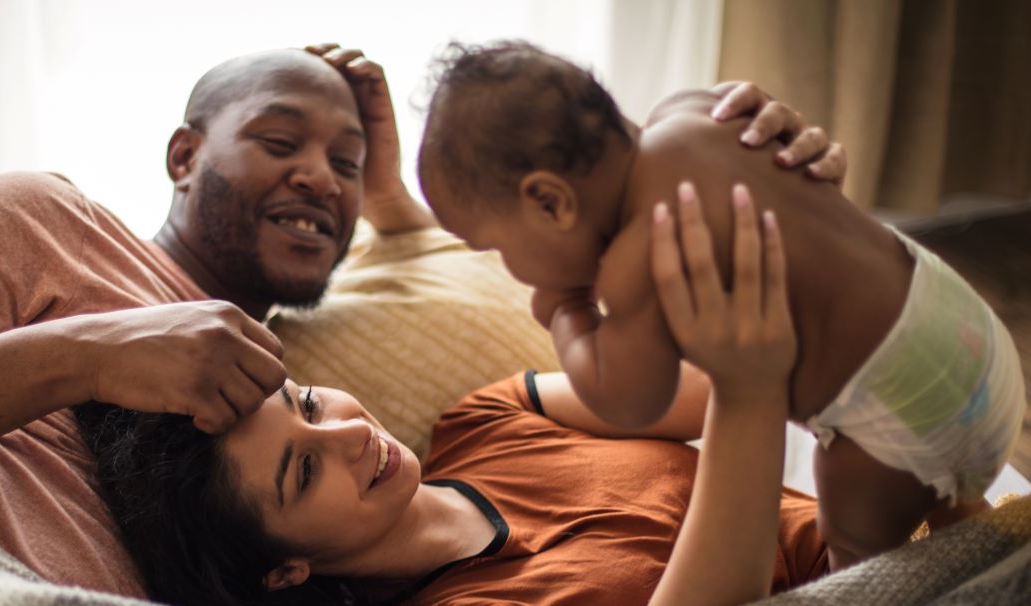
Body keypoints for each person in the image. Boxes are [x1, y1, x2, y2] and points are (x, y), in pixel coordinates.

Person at [0, 43, 843, 606]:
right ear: (183, 156)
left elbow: (490, 291)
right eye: (278, 140)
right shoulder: (34, 224)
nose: (319, 176)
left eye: (346, 165)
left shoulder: (294, 394)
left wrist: (767, 205)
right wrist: (79, 354)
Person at [78, 184, 821, 606]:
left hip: (894, 522)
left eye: (306, 404)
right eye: (303, 470)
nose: (344, 434)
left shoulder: (492, 415)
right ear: (285, 570)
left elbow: (741, 377)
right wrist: (750, 386)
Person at [415, 40, 1025, 570]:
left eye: (494, 248)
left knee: (854, 535)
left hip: (908, 398)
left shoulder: (644, 255)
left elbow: (629, 398)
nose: (508, 270)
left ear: (551, 203)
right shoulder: (699, 110)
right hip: (970, 328)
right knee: (946, 498)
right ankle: (973, 532)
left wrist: (567, 315)